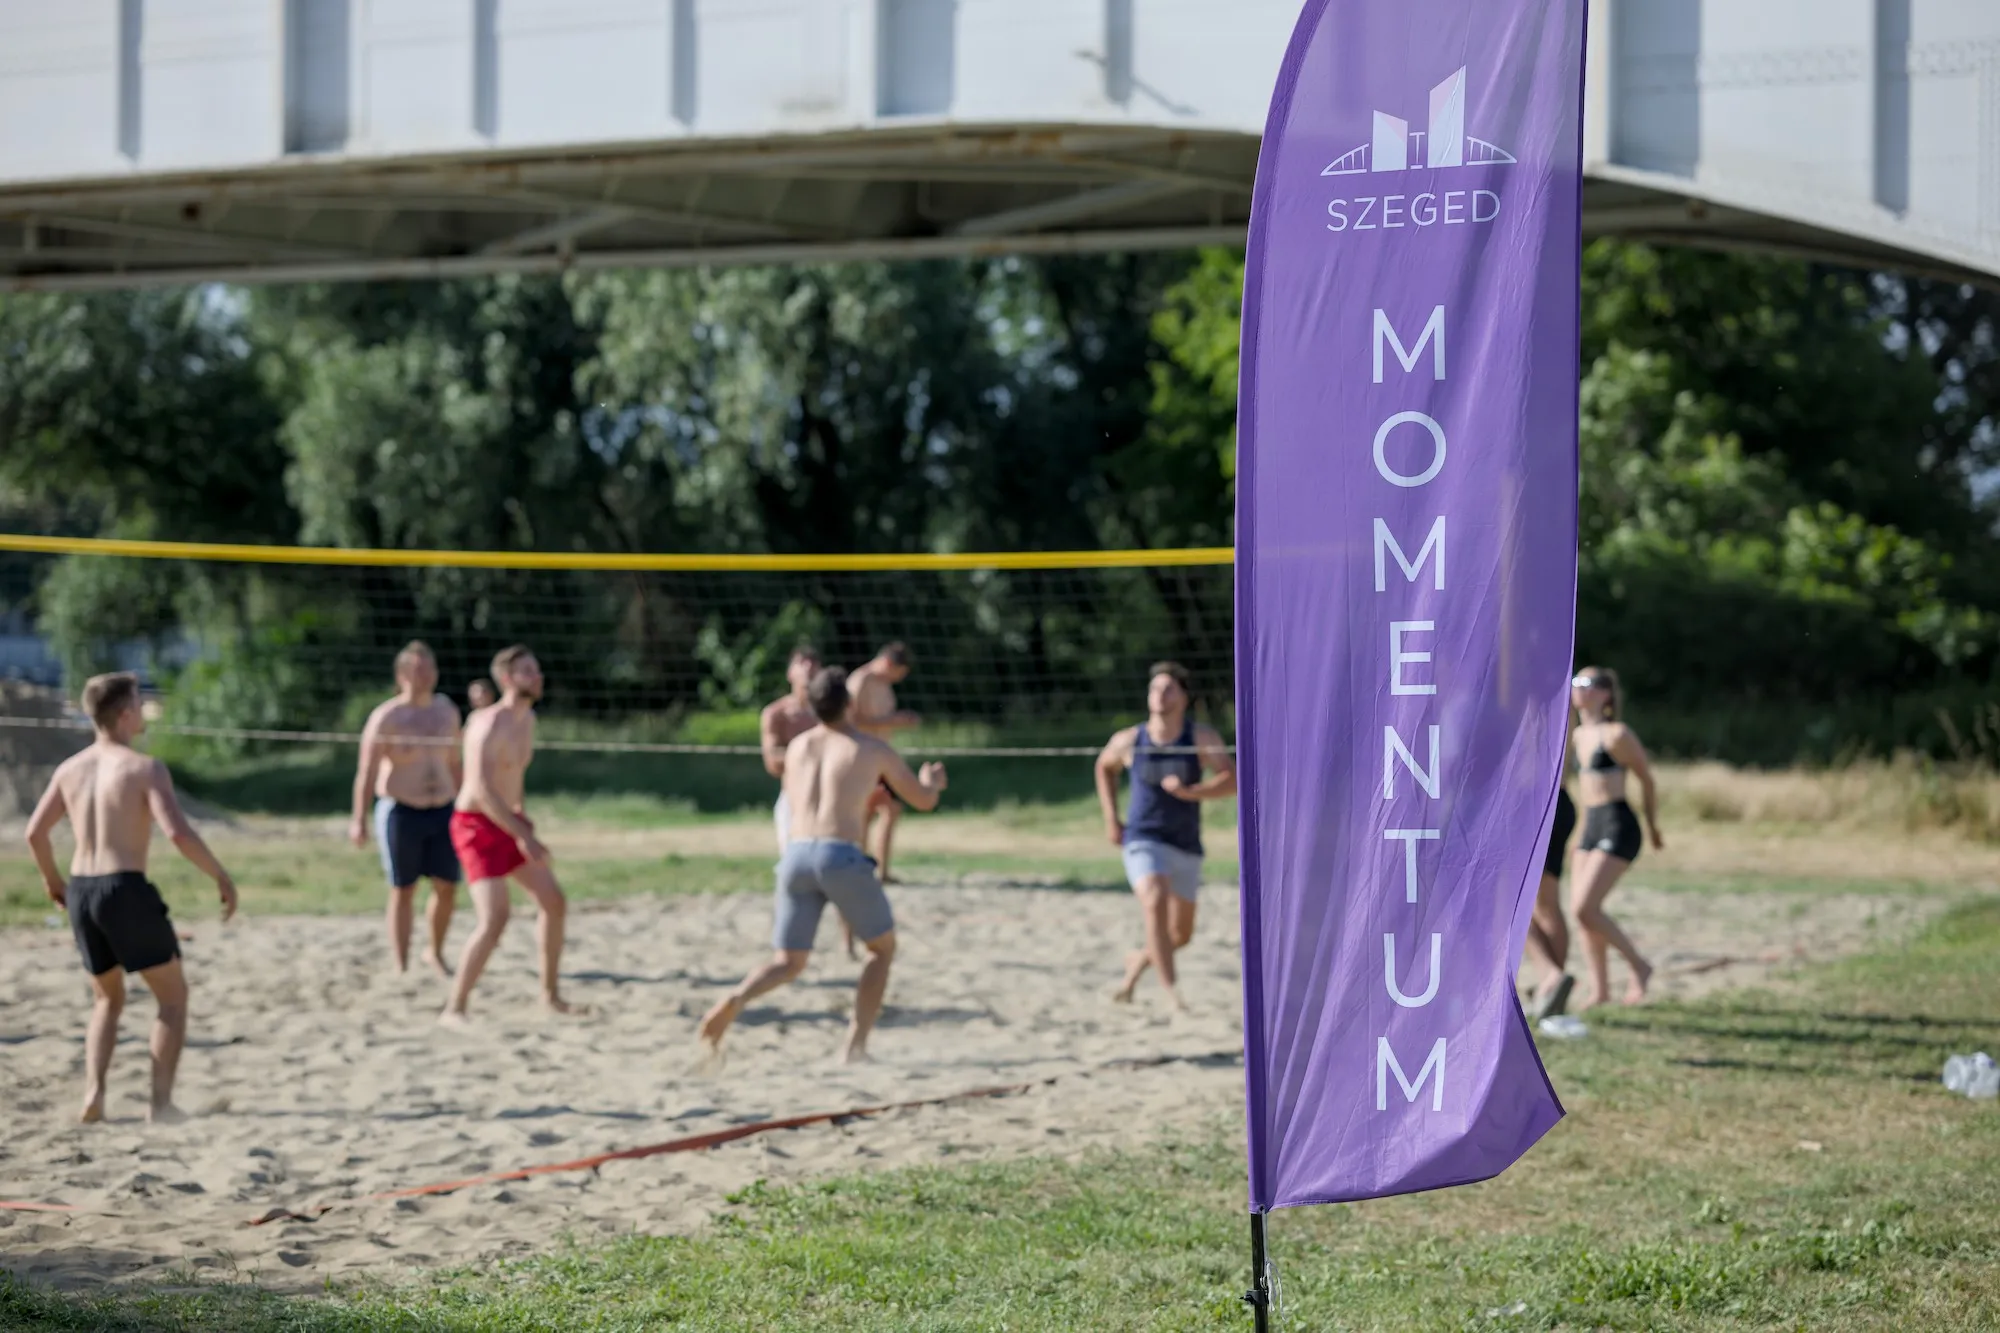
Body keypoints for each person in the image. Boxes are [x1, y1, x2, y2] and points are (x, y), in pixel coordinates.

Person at [698, 666, 947, 1065]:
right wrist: (932, 781)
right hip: (840, 854)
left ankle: (738, 997)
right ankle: (856, 1046)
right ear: (849, 703)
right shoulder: (869, 748)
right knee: (881, 951)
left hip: (796, 855)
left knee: (788, 962)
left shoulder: (797, 748)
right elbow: (922, 800)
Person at [24, 673, 238, 1124]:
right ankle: (160, 1105)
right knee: (173, 998)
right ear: (125, 713)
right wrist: (219, 874)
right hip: (123, 888)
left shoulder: (70, 769)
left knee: (107, 1000)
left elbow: (35, 833)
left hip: (82, 889)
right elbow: (177, 832)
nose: (143, 710)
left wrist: (53, 882)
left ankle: (94, 1096)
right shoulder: (144, 767)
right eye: (140, 702)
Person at [440, 645, 579, 1023]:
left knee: (553, 901)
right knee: (495, 918)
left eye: (536, 669)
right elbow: (481, 789)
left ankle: (550, 997)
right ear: (506, 679)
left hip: (510, 820)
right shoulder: (486, 724)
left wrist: (522, 822)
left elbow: (511, 781)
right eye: (527, 671)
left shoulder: (527, 719)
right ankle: (455, 1008)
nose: (537, 676)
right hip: (476, 825)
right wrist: (522, 833)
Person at [1095, 662, 1236, 1011]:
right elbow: (1103, 767)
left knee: (1180, 935)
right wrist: (1112, 819)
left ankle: (1135, 968)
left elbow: (1231, 780)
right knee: (1154, 899)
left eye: (1169, 688)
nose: (1159, 694)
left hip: (1185, 842)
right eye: (1155, 688)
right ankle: (1173, 993)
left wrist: (1192, 793)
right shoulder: (1129, 739)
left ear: (1184, 698)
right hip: (1143, 837)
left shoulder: (1201, 737)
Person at [349, 642, 462, 976]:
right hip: (401, 810)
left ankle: (435, 952)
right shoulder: (387, 716)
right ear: (401, 675)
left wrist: (469, 805)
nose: (424, 675)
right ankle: (401, 963)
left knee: (446, 885)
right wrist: (359, 819)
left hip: (444, 807)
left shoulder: (446, 711)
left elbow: (456, 764)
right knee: (403, 889)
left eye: (428, 668)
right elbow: (366, 772)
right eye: (416, 669)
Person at [1568, 667, 1660, 1009]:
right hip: (1589, 825)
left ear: (1605, 694)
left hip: (1618, 823)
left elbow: (1646, 780)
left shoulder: (1616, 734)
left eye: (1587, 684)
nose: (1578, 689)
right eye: (1576, 682)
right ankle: (1600, 990)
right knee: (1582, 915)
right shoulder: (1576, 736)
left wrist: (1652, 826)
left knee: (1584, 907)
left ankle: (1639, 966)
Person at [848, 642, 920, 886]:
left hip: (880, 757)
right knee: (866, 813)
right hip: (862, 756)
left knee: (888, 809)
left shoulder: (884, 684)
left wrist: (894, 722)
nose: (898, 679)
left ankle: (882, 871)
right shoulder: (860, 681)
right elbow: (851, 722)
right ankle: (862, 867)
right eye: (898, 673)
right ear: (889, 664)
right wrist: (895, 721)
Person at [759, 645, 823, 851]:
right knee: (794, 863)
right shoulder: (776, 714)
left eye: (813, 663)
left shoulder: (835, 713)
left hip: (831, 797)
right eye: (801, 662)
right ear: (790, 673)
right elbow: (772, 762)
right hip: (794, 796)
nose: (808, 668)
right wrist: (810, 756)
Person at [1525, 781, 1577, 1020]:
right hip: (1558, 799)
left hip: (1534, 800)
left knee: (1504, 906)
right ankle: (1552, 991)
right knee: (1547, 906)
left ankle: (1549, 975)